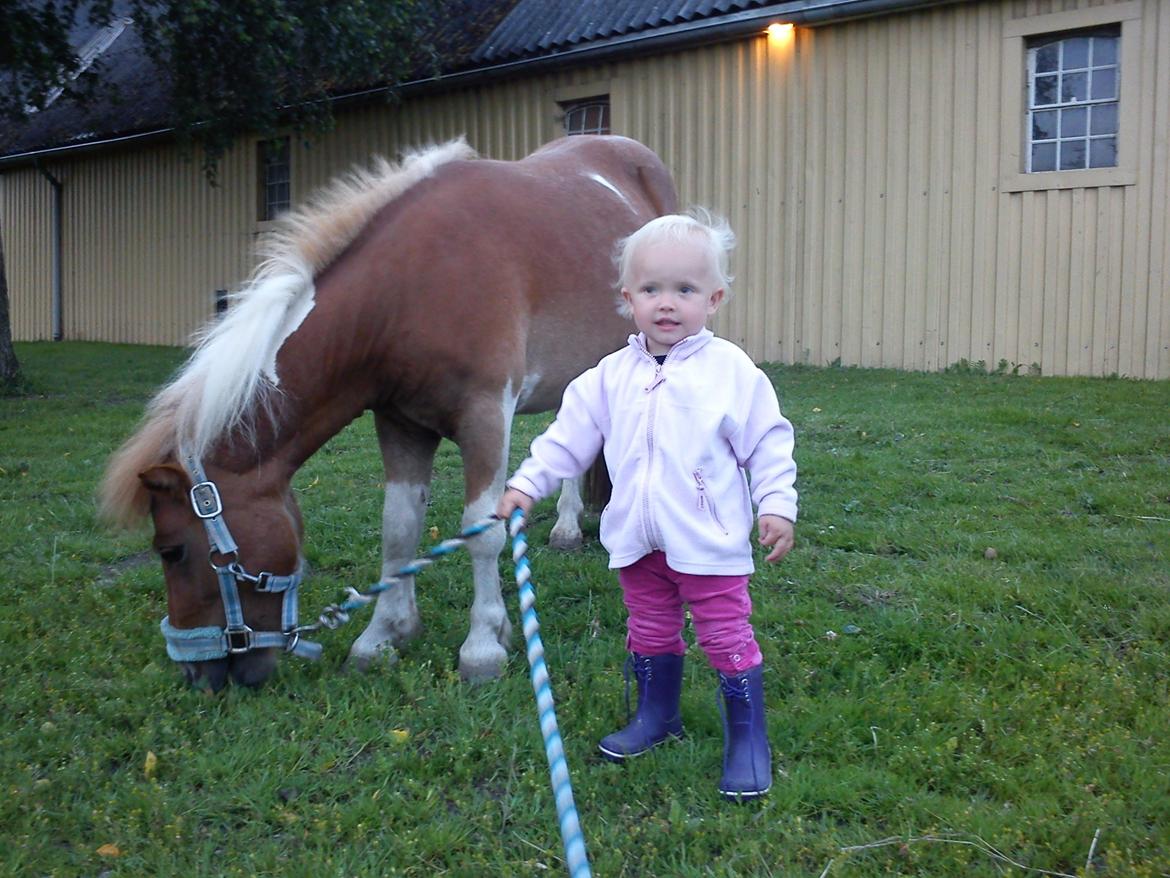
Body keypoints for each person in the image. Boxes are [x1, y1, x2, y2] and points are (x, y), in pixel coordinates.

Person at [496, 209, 797, 799]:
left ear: (713, 299)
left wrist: (776, 503)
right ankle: (658, 715)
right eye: (652, 289)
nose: (667, 303)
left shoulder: (730, 373)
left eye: (685, 290)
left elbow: (767, 441)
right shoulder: (606, 378)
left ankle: (747, 737)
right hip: (638, 540)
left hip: (707, 543)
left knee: (725, 633)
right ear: (627, 298)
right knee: (650, 628)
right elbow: (565, 440)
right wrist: (527, 484)